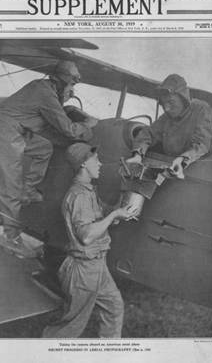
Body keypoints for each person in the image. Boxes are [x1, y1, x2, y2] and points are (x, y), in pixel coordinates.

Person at [0, 61, 97, 246]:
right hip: (5, 131)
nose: (72, 89)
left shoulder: (45, 88)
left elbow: (50, 127)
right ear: (61, 81)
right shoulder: (45, 93)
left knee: (44, 148)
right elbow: (68, 129)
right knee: (11, 184)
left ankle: (28, 190)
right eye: (72, 84)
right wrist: (88, 125)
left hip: (17, 129)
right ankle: (11, 236)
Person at [42, 143, 137, 338]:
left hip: (96, 266)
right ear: (84, 164)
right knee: (70, 327)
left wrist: (122, 202)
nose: (100, 164)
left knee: (114, 307)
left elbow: (103, 217)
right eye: (96, 160)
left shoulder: (88, 191)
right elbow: (86, 236)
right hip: (83, 270)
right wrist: (114, 216)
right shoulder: (79, 196)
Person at [125, 73, 212, 210]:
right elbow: (148, 133)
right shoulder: (168, 116)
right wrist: (138, 154)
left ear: (184, 99)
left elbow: (202, 144)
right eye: (163, 103)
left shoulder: (201, 109)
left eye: (171, 102)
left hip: (186, 168)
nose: (166, 108)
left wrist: (182, 159)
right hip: (167, 168)